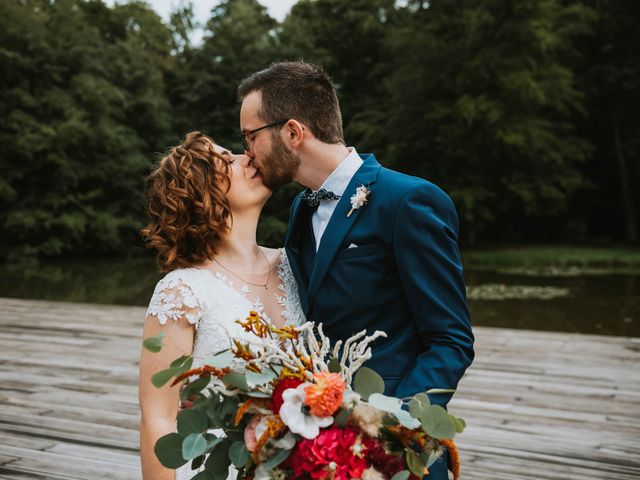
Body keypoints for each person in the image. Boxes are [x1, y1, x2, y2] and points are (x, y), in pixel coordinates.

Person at [237, 61, 475, 480]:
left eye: (250, 136)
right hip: (317, 447)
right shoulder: (300, 208)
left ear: (293, 133)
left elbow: (450, 340)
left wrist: (390, 429)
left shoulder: (410, 201)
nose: (246, 152)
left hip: (398, 457)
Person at [138, 132, 305, 480]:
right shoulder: (182, 291)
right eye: (227, 161)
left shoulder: (297, 264)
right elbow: (159, 417)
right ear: (201, 194)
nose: (248, 158)